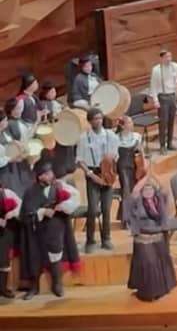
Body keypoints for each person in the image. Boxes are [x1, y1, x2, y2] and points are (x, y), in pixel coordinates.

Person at [20, 161, 80, 298]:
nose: (51, 175)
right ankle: (34, 287)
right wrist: (42, 212)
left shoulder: (59, 186)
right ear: (40, 177)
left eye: (51, 172)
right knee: (34, 255)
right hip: (38, 230)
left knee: (56, 253)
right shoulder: (30, 192)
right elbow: (26, 213)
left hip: (55, 227)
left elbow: (74, 200)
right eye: (47, 174)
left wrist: (63, 206)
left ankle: (57, 284)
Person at [123, 177, 177, 302]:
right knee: (149, 263)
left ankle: (161, 291)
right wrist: (145, 177)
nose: (148, 192)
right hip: (143, 238)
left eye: (150, 189)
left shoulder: (159, 200)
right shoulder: (137, 202)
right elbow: (135, 191)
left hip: (158, 237)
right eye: (145, 190)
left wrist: (154, 175)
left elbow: (164, 188)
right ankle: (148, 293)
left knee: (160, 261)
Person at [76, 107, 119, 252]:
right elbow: (80, 160)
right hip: (92, 172)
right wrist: (90, 174)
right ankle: (90, 240)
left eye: (100, 118)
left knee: (106, 209)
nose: (98, 121)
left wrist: (109, 169)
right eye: (95, 119)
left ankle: (106, 239)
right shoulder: (83, 138)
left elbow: (115, 155)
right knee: (93, 209)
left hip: (107, 172)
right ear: (90, 121)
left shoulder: (111, 135)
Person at [149, 49, 177, 154]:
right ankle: (162, 145)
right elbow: (153, 86)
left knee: (171, 120)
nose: (169, 59)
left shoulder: (175, 66)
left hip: (172, 95)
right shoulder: (156, 70)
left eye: (170, 57)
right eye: (167, 57)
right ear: (161, 58)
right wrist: (155, 100)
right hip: (162, 97)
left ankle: (170, 143)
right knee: (163, 122)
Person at [116, 116, 145, 224]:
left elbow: (140, 153)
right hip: (122, 166)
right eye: (129, 123)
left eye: (131, 122)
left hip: (135, 165)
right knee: (126, 191)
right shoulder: (116, 138)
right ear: (122, 125)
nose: (131, 124)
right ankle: (126, 218)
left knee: (136, 190)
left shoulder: (137, 136)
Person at [0, 182, 21, 300]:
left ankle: (2, 288)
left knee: (3, 259)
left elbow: (20, 205)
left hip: (6, 231)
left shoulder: (8, 193)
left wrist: (12, 213)